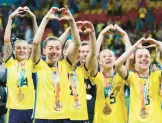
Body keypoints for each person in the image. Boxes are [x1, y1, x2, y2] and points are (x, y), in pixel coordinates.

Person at [32, 6, 80, 123]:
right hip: (43, 117)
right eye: (51, 48)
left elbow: (77, 44)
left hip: (63, 117)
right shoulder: (38, 65)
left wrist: (71, 21)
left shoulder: (65, 64)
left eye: (57, 48)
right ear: (44, 51)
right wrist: (46, 18)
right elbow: (36, 42)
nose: (54, 51)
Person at [115, 37, 162, 123]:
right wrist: (134, 47)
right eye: (140, 57)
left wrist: (160, 45)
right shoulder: (131, 77)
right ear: (134, 61)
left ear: (150, 60)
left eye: (147, 56)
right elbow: (118, 64)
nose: (144, 58)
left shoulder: (158, 74)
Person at [4, 6, 37, 123]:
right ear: (14, 51)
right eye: (18, 48)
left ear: (28, 51)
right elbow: (7, 41)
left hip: (30, 109)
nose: (22, 50)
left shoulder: (31, 62)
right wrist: (10, 18)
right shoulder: (9, 63)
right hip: (14, 109)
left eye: (24, 48)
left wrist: (33, 18)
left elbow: (37, 42)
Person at [89, 24, 128, 123]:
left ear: (115, 59)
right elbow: (93, 56)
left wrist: (125, 35)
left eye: (110, 56)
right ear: (99, 61)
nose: (108, 58)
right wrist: (101, 34)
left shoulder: (121, 76)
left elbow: (130, 57)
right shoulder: (96, 76)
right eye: (104, 56)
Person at [67, 21, 96, 123]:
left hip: (90, 110)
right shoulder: (67, 68)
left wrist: (92, 34)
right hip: (70, 111)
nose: (84, 54)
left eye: (87, 51)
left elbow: (93, 55)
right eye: (82, 51)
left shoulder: (94, 68)